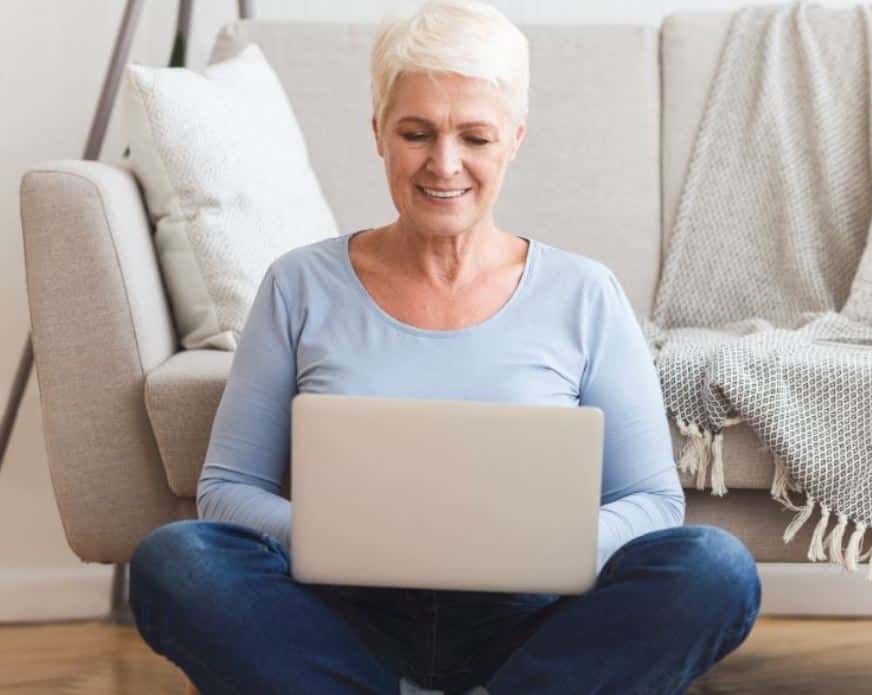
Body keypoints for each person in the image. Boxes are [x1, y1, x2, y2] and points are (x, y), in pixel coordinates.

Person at [127, 1, 761, 693]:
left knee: (715, 568)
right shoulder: (298, 285)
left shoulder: (585, 293)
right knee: (174, 561)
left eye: (475, 137)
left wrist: (539, 549)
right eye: (417, 132)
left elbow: (651, 502)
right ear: (378, 132)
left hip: (531, 620)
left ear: (514, 139)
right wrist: (347, 536)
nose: (444, 163)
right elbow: (227, 491)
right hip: (341, 611)